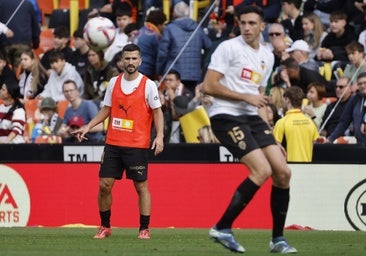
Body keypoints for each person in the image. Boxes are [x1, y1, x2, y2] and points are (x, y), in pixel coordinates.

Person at [202, 5, 297, 253]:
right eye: (243, 23)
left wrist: (272, 138)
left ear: (262, 26)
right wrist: (245, 98)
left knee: (283, 172)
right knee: (262, 169)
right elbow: (208, 86)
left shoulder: (267, 56)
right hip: (225, 116)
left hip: (252, 118)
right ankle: (222, 227)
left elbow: (259, 99)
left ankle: (278, 239)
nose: (246, 28)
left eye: (252, 23)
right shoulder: (228, 48)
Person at [71, 44, 164, 239]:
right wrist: (88, 126)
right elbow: (106, 109)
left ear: (140, 61)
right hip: (113, 143)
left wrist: (160, 136)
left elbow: (157, 112)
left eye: (134, 59)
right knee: (104, 185)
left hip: (137, 145)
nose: (130, 62)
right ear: (122, 60)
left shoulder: (148, 85)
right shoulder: (114, 82)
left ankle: (144, 228)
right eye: (127, 58)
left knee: (141, 187)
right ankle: (105, 226)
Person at [156, 1, 212, 91]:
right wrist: (202, 65)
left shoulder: (169, 29)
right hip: (194, 74)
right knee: (190, 102)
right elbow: (209, 46)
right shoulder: (198, 28)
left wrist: (159, 71)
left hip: (173, 74)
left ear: (174, 14)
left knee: (174, 102)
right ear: (189, 13)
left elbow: (163, 53)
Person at [273, 86, 319, 162]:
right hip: (307, 168)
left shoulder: (282, 122)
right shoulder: (310, 122)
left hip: (290, 168)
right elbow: (315, 142)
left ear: (287, 100)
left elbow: (275, 148)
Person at [325, 72, 366, 144]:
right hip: (360, 143)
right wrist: (331, 139)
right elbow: (344, 122)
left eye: (365, 83)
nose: (362, 86)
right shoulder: (354, 99)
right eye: (360, 84)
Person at [0, 0, 40, 71]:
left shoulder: (1, 3)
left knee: (6, 71)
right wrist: (36, 42)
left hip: (4, 43)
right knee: (20, 72)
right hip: (23, 43)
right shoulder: (28, 4)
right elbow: (35, 26)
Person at [134, 9, 167, 80]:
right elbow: (160, 55)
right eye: (164, 24)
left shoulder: (140, 31)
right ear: (159, 24)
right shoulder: (155, 36)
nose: (164, 27)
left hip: (135, 67)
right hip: (146, 70)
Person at [0, 79, 26, 143]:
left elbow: (16, 129)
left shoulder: (18, 110)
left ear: (9, 94)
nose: (0, 91)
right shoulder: (1, 108)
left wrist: (6, 142)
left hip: (14, 147)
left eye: (3, 89)